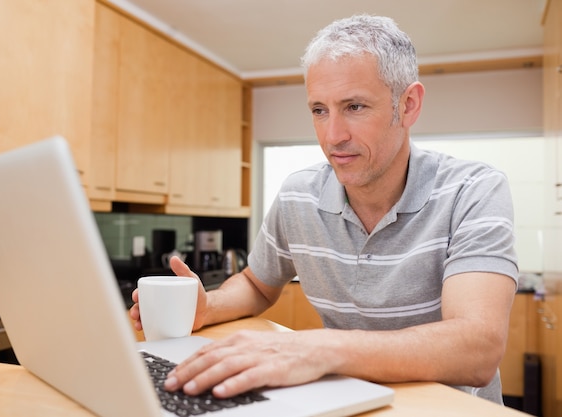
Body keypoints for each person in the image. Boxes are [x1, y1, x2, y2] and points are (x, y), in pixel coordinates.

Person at [130, 14, 518, 404]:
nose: (333, 136)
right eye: (319, 110)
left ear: (409, 105)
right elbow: (256, 284)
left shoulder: (473, 190)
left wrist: (317, 349)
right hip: (346, 402)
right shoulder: (299, 194)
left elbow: (477, 348)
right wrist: (208, 307)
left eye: (355, 106)